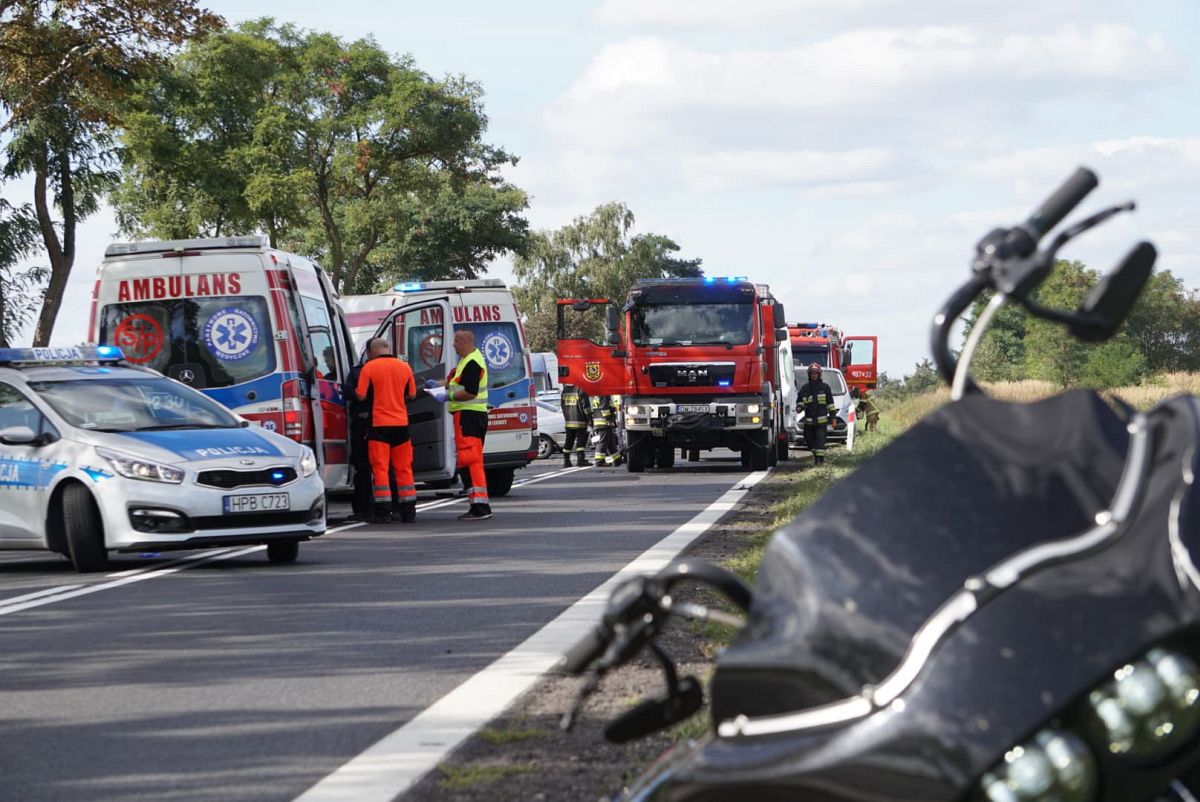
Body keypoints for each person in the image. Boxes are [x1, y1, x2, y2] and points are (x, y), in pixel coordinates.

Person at [355, 337, 419, 524]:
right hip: (401, 423)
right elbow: (412, 394)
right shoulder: (405, 367)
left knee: (381, 468)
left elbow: (360, 395)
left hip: (379, 424)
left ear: (373, 351)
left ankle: (383, 512)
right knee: (404, 468)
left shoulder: (369, 368)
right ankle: (408, 511)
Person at [446, 328, 493, 521]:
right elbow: (455, 382)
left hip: (469, 416)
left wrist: (446, 396)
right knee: (469, 461)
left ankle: (480, 507)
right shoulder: (467, 361)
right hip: (469, 415)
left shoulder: (472, 362)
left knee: (471, 461)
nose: (453, 345)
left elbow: (470, 392)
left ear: (465, 342)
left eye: (456, 341)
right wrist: (439, 386)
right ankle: (477, 505)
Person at [343, 358, 373, 521]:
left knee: (362, 467)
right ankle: (395, 508)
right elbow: (410, 394)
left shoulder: (358, 372)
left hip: (362, 422)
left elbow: (353, 395)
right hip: (390, 423)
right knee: (386, 468)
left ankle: (363, 509)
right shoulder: (400, 368)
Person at [798, 362, 837, 466]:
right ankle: (816, 455)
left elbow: (831, 405)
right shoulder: (805, 388)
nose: (814, 375)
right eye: (812, 373)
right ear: (809, 375)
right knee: (809, 441)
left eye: (816, 373)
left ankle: (819, 462)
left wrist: (833, 418)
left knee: (820, 442)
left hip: (821, 422)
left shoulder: (825, 388)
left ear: (819, 374)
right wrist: (799, 407)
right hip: (809, 422)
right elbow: (799, 401)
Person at [559, 383, 591, 467]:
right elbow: (586, 408)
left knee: (568, 442)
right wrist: (590, 419)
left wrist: (566, 417)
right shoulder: (581, 390)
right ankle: (580, 460)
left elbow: (562, 406)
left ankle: (566, 461)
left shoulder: (565, 391)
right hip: (580, 422)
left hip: (569, 422)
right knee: (581, 442)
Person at [591, 393, 620, 466]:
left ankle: (617, 460)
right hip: (604, 422)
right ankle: (599, 461)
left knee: (610, 442)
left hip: (601, 422)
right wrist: (610, 419)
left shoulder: (598, 394)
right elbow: (605, 409)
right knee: (603, 442)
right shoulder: (603, 394)